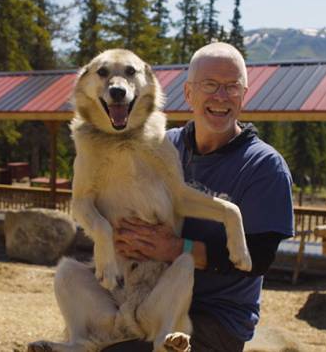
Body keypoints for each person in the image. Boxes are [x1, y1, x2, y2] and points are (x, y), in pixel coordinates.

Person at [109, 42, 294, 352]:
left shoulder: (264, 166)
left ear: (243, 95)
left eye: (232, 87)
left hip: (215, 318)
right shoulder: (163, 147)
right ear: (189, 93)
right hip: (145, 294)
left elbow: (259, 259)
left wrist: (177, 249)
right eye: (210, 85)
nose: (221, 97)